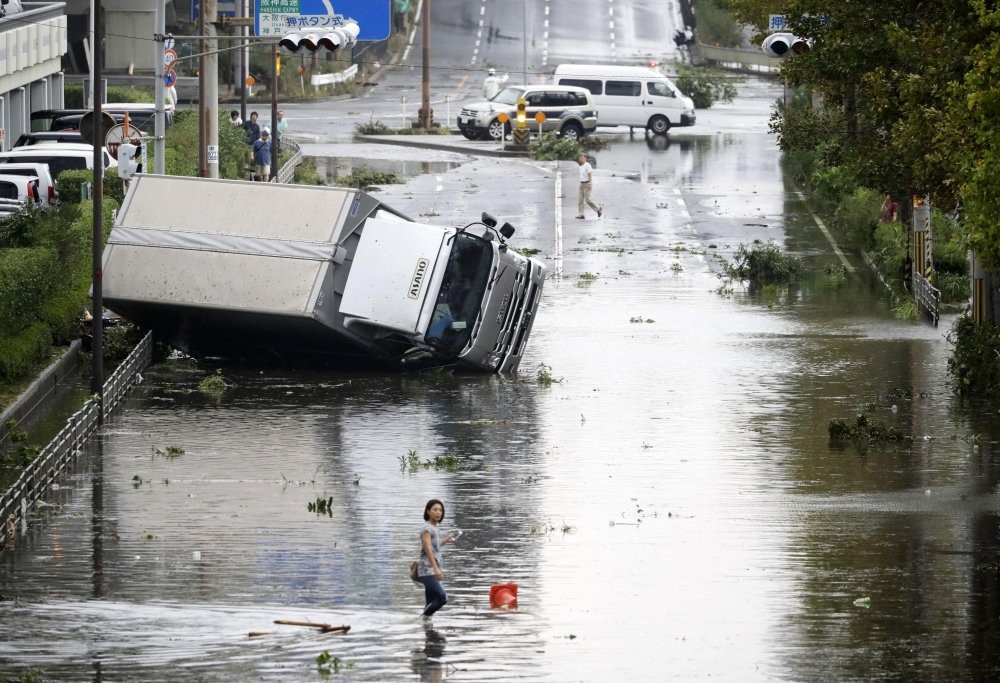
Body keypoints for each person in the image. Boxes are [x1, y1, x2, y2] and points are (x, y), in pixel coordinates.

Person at [417, 499, 457, 618]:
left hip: (433, 569)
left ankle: (426, 628)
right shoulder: (426, 528)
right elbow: (428, 548)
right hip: (427, 570)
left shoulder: (435, 527)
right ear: (428, 511)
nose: (438, 512)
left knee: (430, 603)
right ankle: (420, 620)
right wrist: (436, 569)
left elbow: (433, 547)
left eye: (440, 510)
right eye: (435, 510)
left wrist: (444, 541)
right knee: (442, 597)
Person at [576, 154, 602, 219]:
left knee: (588, 200)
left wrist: (590, 182)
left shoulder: (587, 165)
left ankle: (598, 209)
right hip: (581, 184)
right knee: (580, 200)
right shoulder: (580, 166)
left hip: (587, 184)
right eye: (580, 158)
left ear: (585, 159)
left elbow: (590, 174)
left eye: (582, 158)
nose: (581, 159)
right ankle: (581, 214)